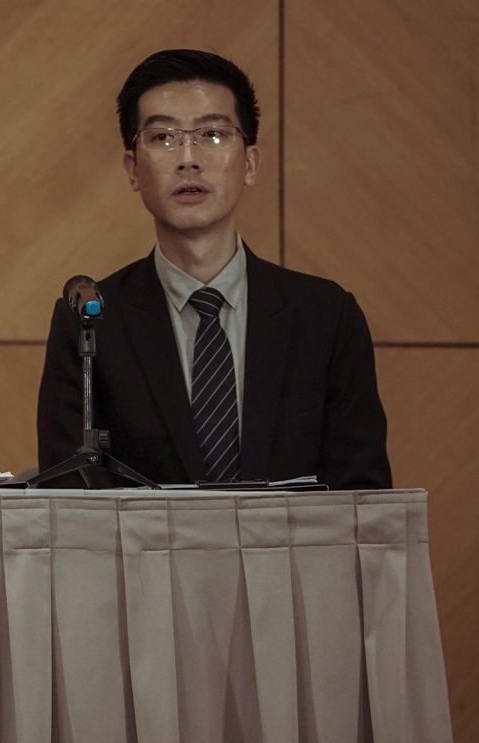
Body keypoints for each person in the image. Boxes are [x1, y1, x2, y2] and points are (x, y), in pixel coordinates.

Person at [36, 49, 390, 488]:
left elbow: (361, 492)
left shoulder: (326, 315)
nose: (188, 158)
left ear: (250, 163)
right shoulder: (92, 320)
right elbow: (70, 496)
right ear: (133, 169)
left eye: (213, 134)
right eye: (163, 137)